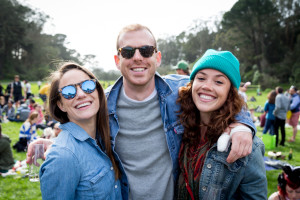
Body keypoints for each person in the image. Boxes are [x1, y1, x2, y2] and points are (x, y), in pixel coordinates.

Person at [28, 24, 255, 199]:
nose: (137, 57)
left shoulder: (180, 90)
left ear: (157, 57)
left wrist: (244, 125)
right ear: (118, 60)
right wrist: (55, 144)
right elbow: (79, 133)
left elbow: (222, 94)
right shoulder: (101, 104)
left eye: (146, 50)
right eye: (128, 52)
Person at [176, 49, 267, 199]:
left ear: (230, 92)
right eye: (201, 78)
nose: (207, 86)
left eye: (218, 81)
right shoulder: (179, 126)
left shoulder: (246, 146)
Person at [39, 62, 121, 199]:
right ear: (61, 105)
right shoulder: (62, 157)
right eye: (68, 92)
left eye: (87, 86)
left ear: (98, 91)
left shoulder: (105, 137)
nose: (81, 94)